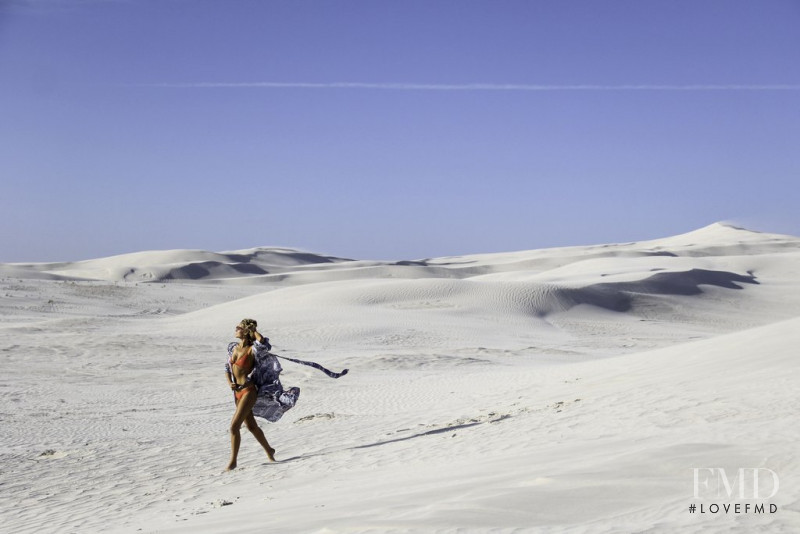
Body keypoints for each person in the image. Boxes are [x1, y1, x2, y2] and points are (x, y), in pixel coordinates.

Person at [225, 318, 276, 470]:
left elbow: (265, 344)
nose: (235, 329)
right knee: (251, 426)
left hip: (248, 391)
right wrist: (230, 383)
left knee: (234, 427)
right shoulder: (233, 348)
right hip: (237, 393)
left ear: (246, 331)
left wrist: (253, 331)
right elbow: (227, 369)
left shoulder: (253, 350)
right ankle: (269, 450)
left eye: (238, 327)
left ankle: (233, 462)